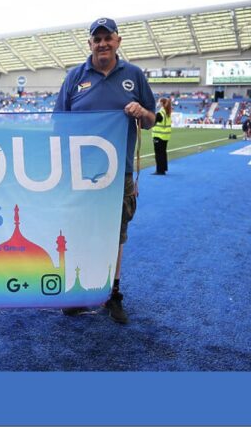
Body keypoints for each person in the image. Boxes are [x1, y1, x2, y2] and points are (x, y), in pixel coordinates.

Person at [54, 17, 156, 324]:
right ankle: (79, 290)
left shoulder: (134, 75)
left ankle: (113, 293)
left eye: (107, 38)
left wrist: (142, 112)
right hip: (80, 173)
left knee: (116, 235)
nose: (102, 43)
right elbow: (58, 122)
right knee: (79, 232)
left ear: (118, 41)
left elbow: (152, 119)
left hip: (119, 173)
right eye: (96, 39)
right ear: (89, 44)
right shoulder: (75, 77)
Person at [152, 97, 172, 175]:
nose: (158, 103)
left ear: (162, 104)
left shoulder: (160, 113)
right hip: (165, 136)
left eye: (159, 102)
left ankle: (159, 170)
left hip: (158, 136)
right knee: (163, 153)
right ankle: (163, 169)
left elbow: (152, 122)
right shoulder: (167, 113)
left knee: (158, 154)